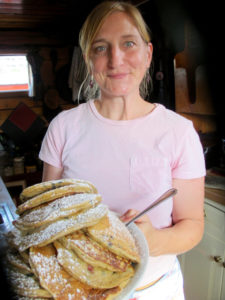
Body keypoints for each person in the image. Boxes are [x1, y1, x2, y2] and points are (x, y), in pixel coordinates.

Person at [39, 1, 206, 299]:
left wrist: (154, 241)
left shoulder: (179, 132)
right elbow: (48, 216)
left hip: (156, 289)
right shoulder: (63, 127)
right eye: (101, 48)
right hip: (81, 290)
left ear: (147, 53)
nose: (116, 59)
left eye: (128, 43)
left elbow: (192, 224)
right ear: (89, 59)